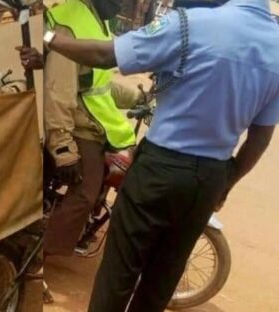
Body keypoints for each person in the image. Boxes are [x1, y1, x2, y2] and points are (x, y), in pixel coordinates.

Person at [44, 0, 279, 311]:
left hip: (160, 168)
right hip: (209, 178)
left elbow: (104, 54)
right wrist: (226, 181)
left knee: (119, 273)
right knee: (162, 280)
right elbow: (261, 137)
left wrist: (49, 38)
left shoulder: (190, 25)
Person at [42, 0, 141, 259]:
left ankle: (81, 230)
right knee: (86, 191)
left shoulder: (100, 20)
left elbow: (100, 84)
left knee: (113, 169)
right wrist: (63, 148)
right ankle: (38, 258)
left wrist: (139, 98)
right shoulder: (70, 25)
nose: (123, 4)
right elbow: (58, 92)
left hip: (93, 121)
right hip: (75, 125)